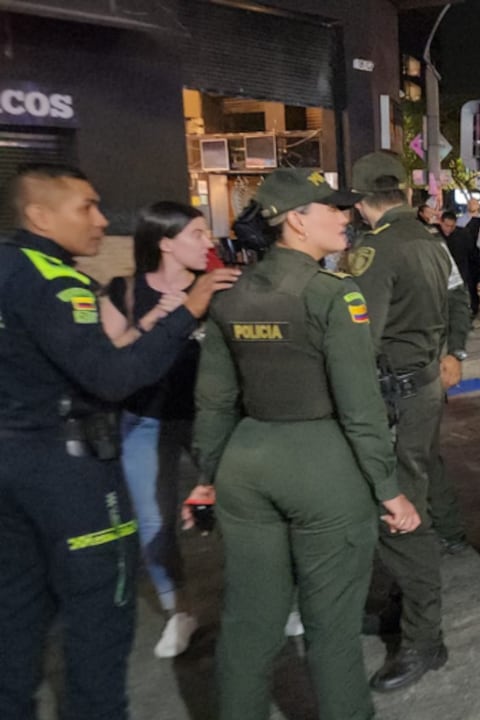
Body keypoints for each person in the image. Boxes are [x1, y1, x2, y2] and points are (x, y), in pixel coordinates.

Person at [0, 163, 238, 720]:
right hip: (70, 470)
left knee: (18, 611)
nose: (101, 220)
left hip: (14, 465)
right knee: (98, 619)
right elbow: (110, 376)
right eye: (86, 206)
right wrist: (187, 313)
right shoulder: (56, 280)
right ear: (39, 214)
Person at [189, 168, 419, 720]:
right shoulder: (333, 296)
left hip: (246, 465)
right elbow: (360, 410)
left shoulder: (230, 295)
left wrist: (206, 479)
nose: (344, 218)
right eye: (331, 209)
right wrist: (391, 492)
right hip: (322, 469)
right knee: (331, 629)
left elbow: (215, 402)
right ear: (296, 220)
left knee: (248, 623)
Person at [347, 151, 471, 692]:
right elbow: (460, 300)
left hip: (393, 396)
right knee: (409, 494)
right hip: (422, 389)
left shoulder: (374, 252)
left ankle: (425, 638)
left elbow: (357, 341)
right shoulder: (432, 243)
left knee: (400, 512)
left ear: (359, 199)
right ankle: (406, 612)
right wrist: (456, 351)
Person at [99, 202, 212, 658]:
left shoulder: (214, 289)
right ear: (165, 242)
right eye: (198, 235)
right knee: (152, 520)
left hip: (208, 419)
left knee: (243, 512)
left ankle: (271, 601)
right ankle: (180, 611)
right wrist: (154, 320)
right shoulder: (125, 289)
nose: (210, 243)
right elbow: (108, 357)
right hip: (144, 420)